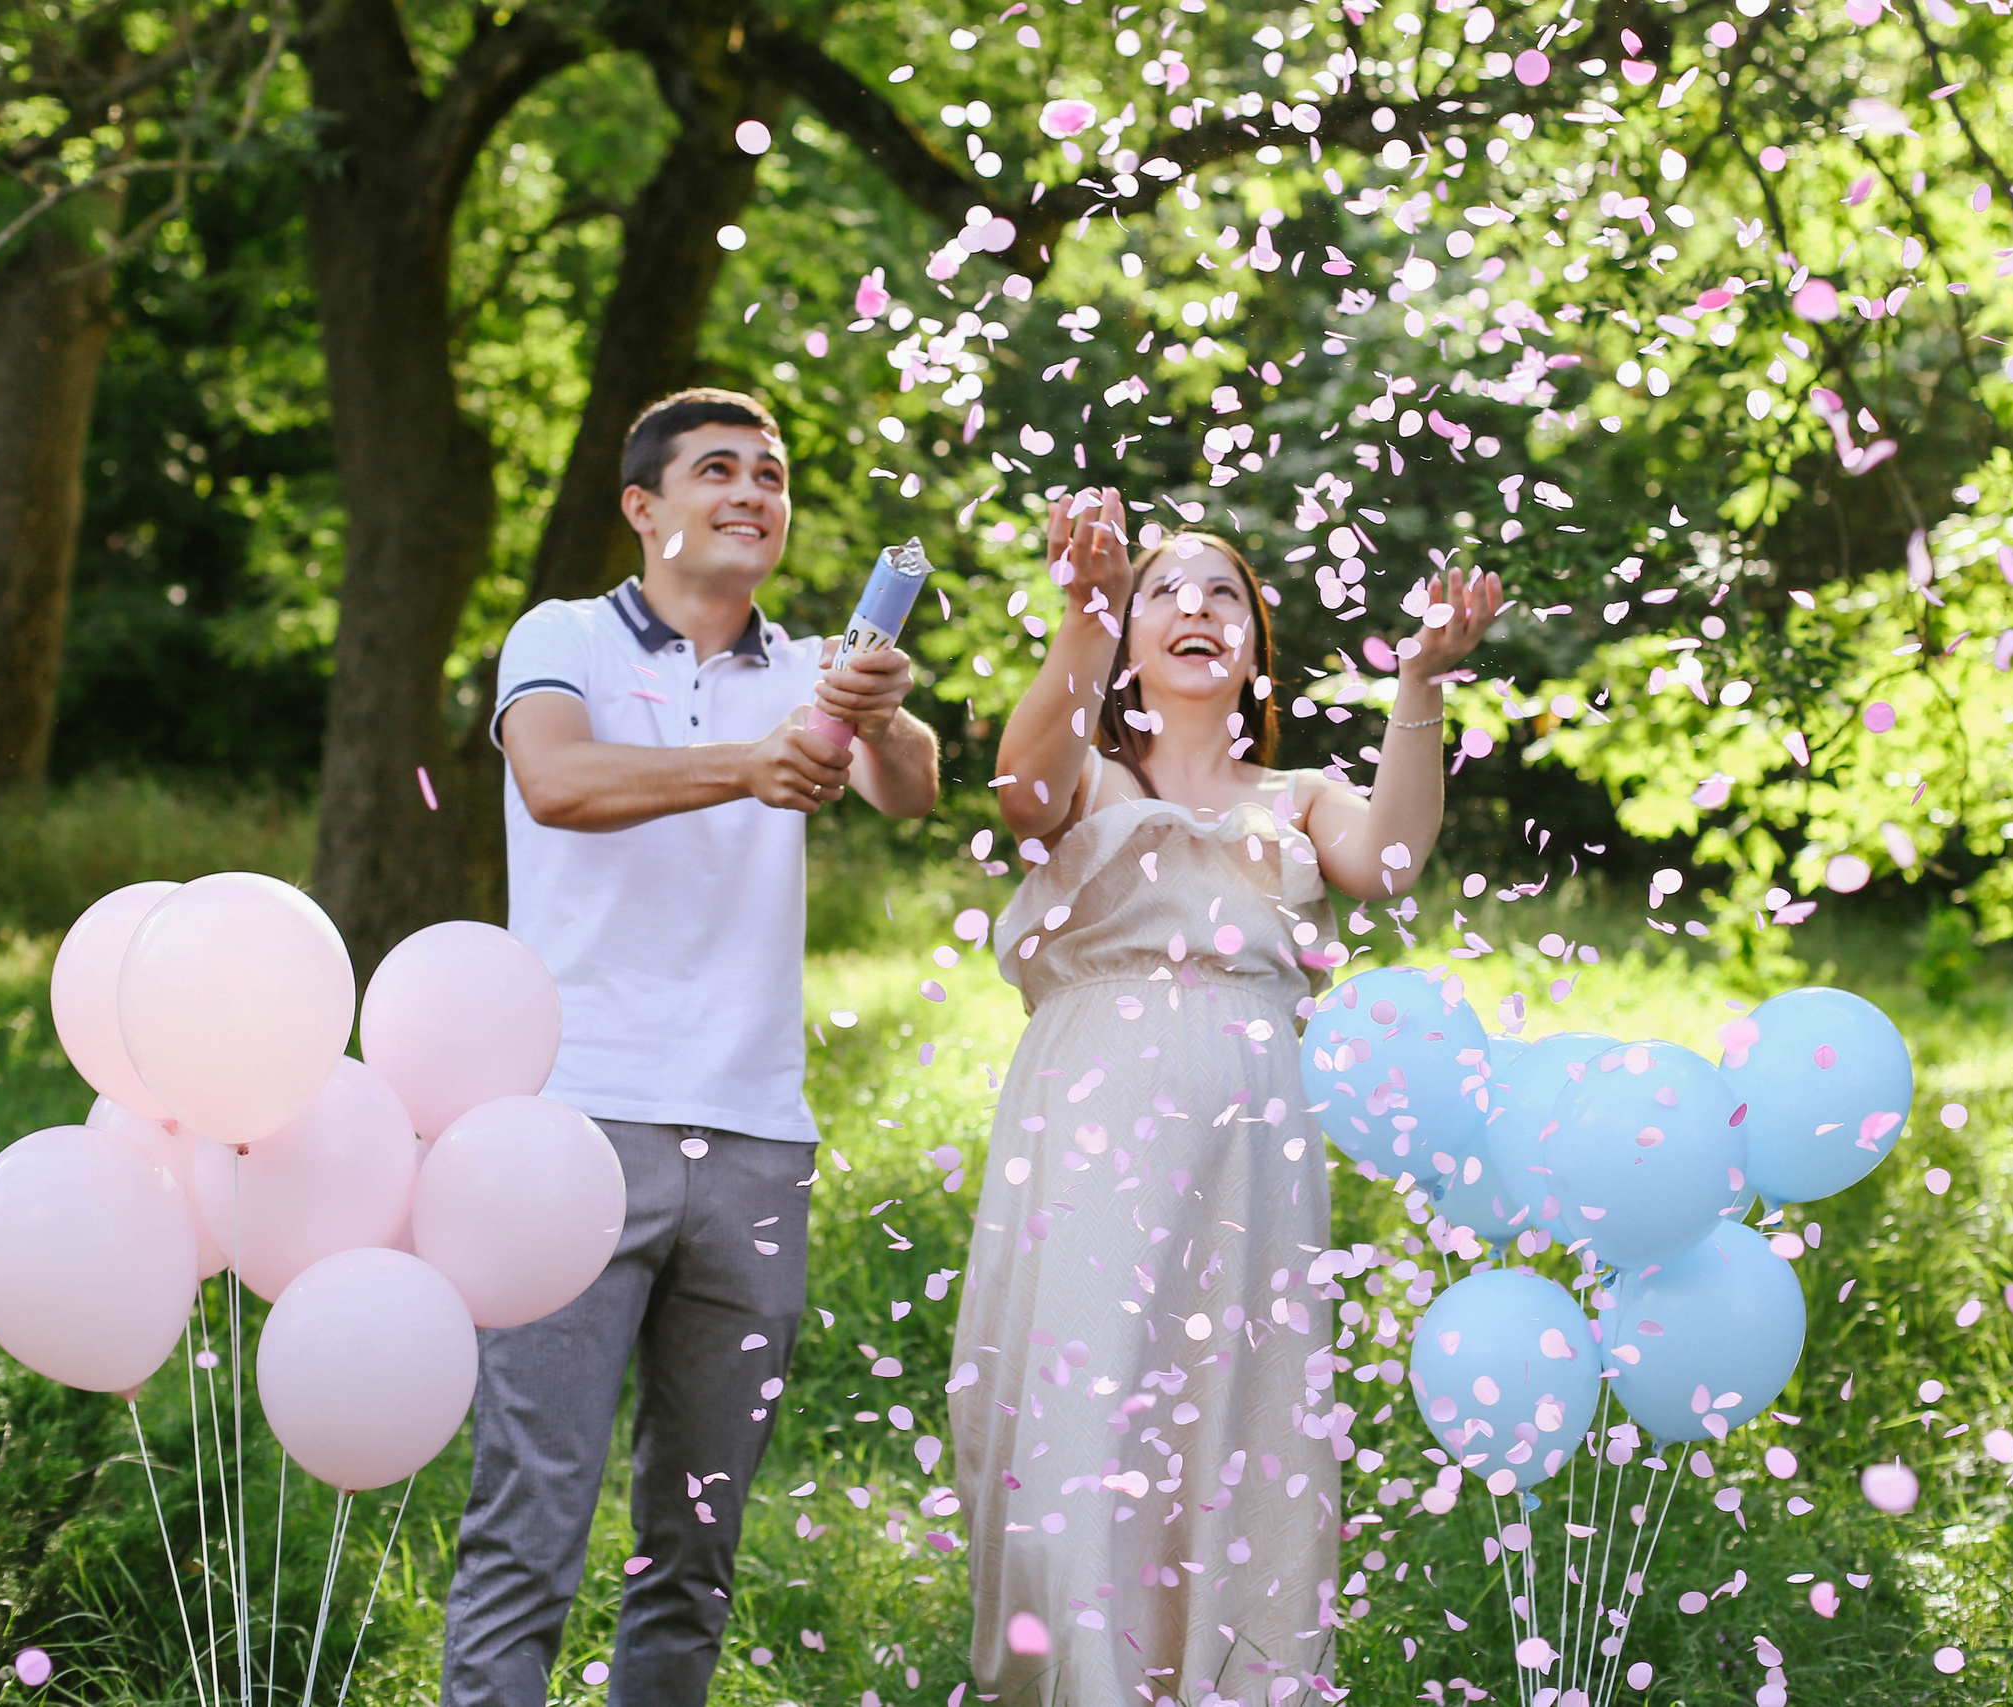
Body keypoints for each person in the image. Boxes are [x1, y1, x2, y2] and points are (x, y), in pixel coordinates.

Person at [948, 488, 1502, 1706]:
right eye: (1163, 590)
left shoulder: (1299, 796)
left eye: (1223, 596)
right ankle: (1080, 1679)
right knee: (1084, 1397)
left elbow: (1392, 861)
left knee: (1234, 1414)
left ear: (1254, 648)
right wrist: (1079, 618)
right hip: (1095, 1107)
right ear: (1131, 633)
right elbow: (1018, 795)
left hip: (1252, 1134)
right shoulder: (1089, 778)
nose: (1194, 606)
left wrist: (1418, 682)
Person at [444, 387, 940, 1707]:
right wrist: (748, 761)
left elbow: (915, 788)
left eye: (772, 475)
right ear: (643, 506)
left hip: (758, 1147)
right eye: (717, 468)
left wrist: (880, 711)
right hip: (573, 1128)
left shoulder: (809, 670)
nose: (751, 493)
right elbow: (558, 780)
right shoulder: (561, 636)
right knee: (531, 1516)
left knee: (695, 1547)